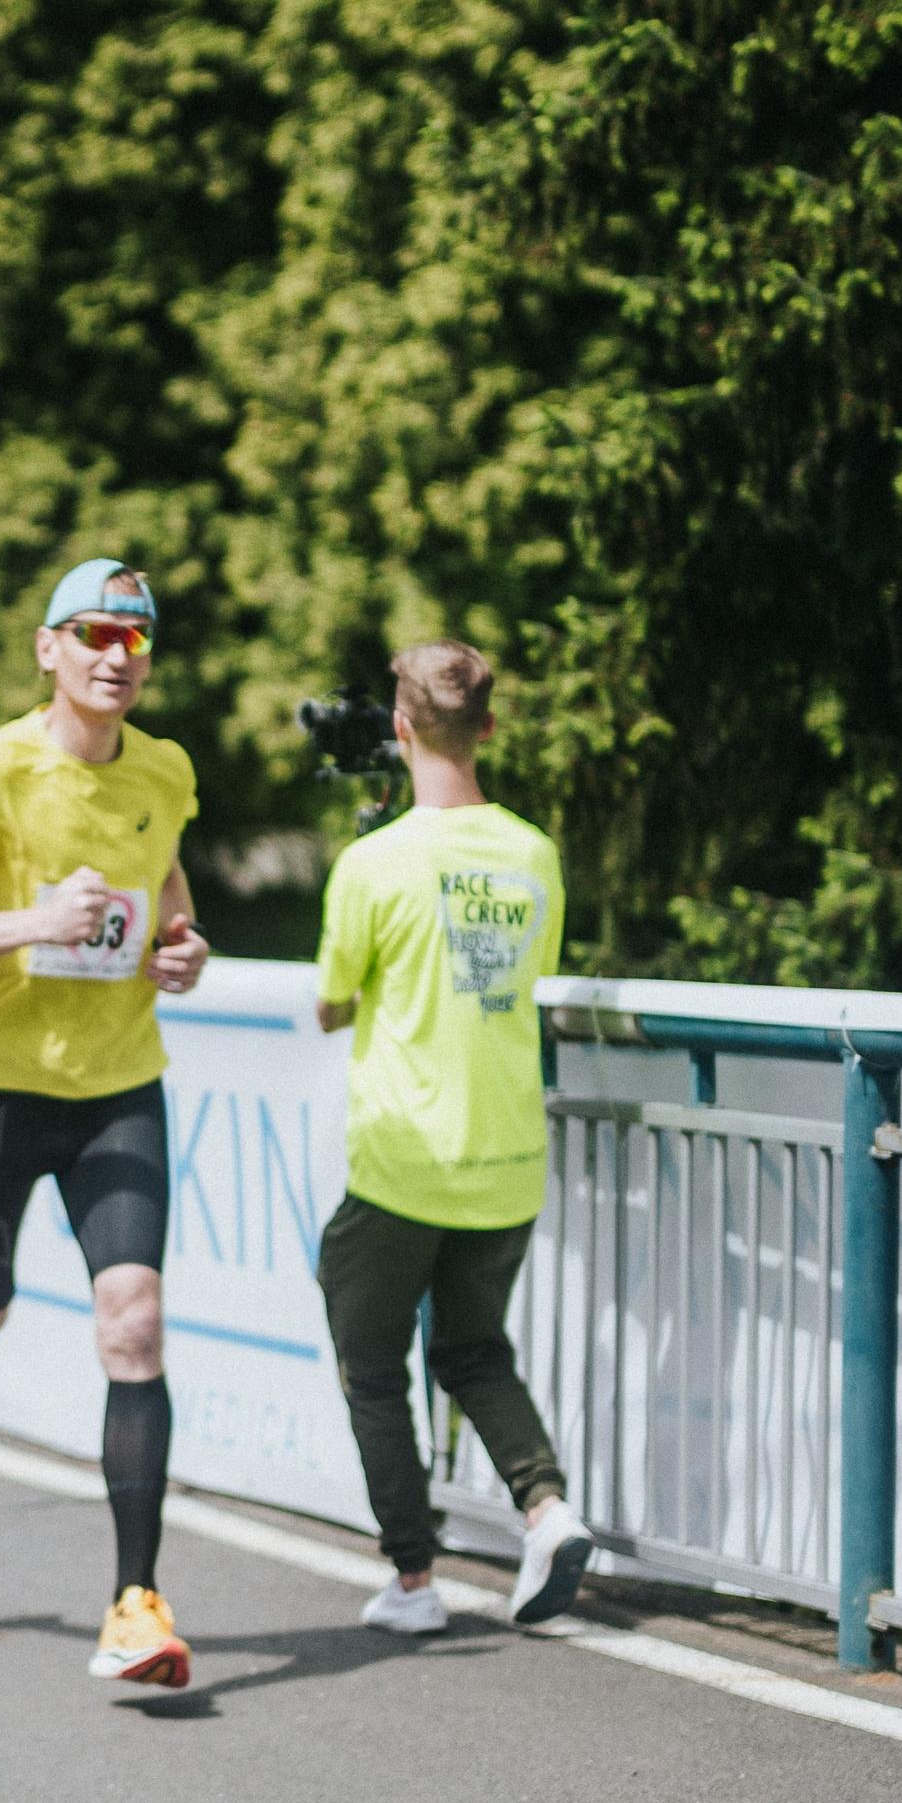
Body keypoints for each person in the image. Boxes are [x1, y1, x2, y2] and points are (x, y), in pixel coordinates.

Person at [0, 558, 211, 1691]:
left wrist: (182, 945)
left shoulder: (164, 768)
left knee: (134, 1320)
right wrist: (34, 922)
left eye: (139, 639)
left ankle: (134, 1599)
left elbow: (168, 899)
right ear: (48, 647)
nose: (120, 655)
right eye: (98, 633)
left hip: (120, 1082)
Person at [313, 642, 599, 1629]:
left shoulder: (373, 860)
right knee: (475, 1350)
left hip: (403, 1160)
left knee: (371, 1361)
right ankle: (547, 1507)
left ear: (399, 727)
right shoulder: (533, 851)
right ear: (489, 725)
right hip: (509, 1156)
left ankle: (413, 1578)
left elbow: (332, 998)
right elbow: (528, 979)